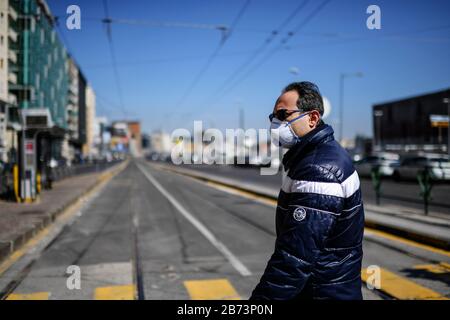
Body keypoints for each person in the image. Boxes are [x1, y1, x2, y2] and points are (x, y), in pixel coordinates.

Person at [250, 81, 365, 300]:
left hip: (320, 293)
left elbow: (294, 258)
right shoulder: (317, 156)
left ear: (312, 118)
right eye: (273, 116)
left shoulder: (318, 169)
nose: (275, 123)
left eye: (283, 115)